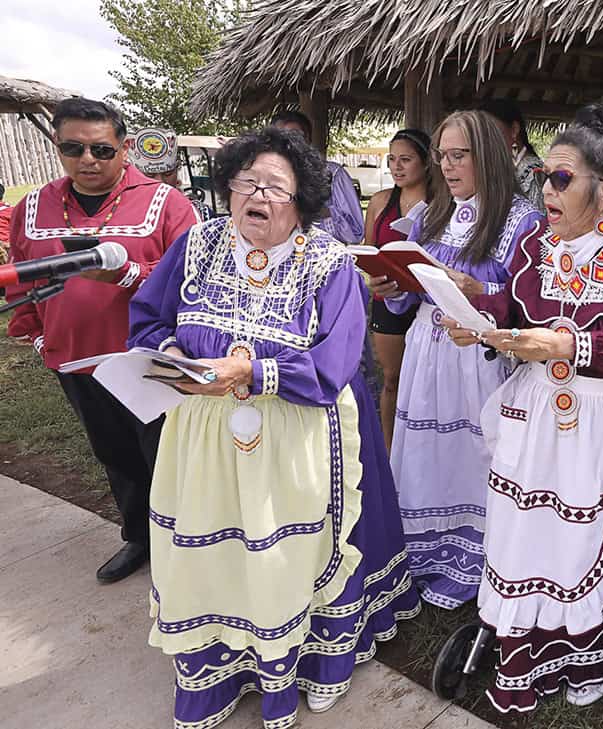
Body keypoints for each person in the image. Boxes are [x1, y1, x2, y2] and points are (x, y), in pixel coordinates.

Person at [128, 126, 420, 729]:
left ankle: (307, 666)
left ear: (303, 201)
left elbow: (333, 366)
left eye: (275, 187)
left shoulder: (329, 265)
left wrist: (250, 370)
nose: (256, 196)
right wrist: (170, 358)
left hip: (296, 438)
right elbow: (147, 319)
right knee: (211, 555)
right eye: (245, 182)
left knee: (286, 555)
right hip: (204, 439)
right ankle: (222, 673)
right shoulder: (195, 245)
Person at [443, 102, 603, 712]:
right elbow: (516, 304)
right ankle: (530, 646)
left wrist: (574, 344)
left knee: (587, 537)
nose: (545, 190)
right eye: (543, 178)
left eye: (560, 179)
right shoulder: (536, 242)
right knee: (529, 529)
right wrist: (481, 318)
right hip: (537, 410)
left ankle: (597, 655)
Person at [5, 98, 197, 584]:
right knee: (114, 453)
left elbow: (194, 278)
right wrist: (36, 334)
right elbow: (23, 281)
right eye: (73, 148)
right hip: (75, 360)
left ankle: (188, 548)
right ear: (57, 146)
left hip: (148, 360)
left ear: (125, 147)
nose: (87, 159)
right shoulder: (32, 207)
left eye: (101, 149)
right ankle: (140, 538)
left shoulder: (165, 202)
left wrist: (127, 273)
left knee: (169, 456)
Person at [370, 111, 543, 608]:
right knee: (428, 455)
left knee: (478, 455)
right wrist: (392, 285)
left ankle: (481, 556)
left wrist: (479, 290)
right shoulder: (428, 215)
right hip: (428, 348)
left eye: (459, 155)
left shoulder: (521, 220)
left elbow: (527, 301)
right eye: (442, 156)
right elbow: (411, 294)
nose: (447, 166)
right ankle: (424, 553)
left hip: (481, 355)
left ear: (487, 155)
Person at [362, 129, 435, 450]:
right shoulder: (380, 202)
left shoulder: (443, 202)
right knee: (391, 379)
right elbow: (368, 249)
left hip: (428, 302)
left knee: (426, 383)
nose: (396, 167)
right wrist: (370, 277)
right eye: (392, 160)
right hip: (386, 297)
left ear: (425, 162)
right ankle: (390, 453)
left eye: (405, 159)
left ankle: (422, 450)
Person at [269, 110, 364, 243]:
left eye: (295, 136)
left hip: (324, 257)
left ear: (308, 140)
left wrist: (322, 211)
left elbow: (355, 233)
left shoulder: (333, 174)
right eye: (280, 137)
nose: (288, 143)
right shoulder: (262, 176)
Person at [126, 127, 215, 221]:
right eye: (150, 175)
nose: (160, 181)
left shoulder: (199, 212)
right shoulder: (121, 213)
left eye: (168, 174)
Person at [480, 98, 546, 209]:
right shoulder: (504, 170)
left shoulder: (534, 175)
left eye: (490, 130)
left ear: (514, 129)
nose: (483, 138)